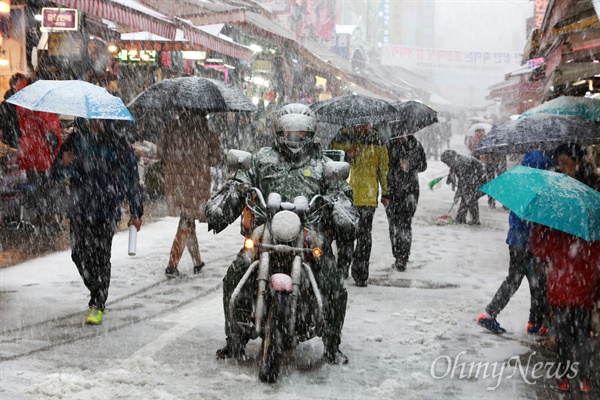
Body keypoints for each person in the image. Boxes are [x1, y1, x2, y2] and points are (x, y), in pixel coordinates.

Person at [210, 103, 354, 364]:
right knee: (236, 273)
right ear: (278, 132)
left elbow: (340, 191)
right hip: (267, 229)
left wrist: (341, 206)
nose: (294, 139)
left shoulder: (323, 164)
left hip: (310, 234)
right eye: (289, 133)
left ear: (310, 134)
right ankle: (235, 338)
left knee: (333, 282)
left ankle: (332, 344)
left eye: (300, 133)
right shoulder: (263, 159)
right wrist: (230, 194)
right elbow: (242, 179)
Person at [50, 118, 144, 325]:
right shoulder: (75, 140)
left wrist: (136, 211)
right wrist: (63, 164)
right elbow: (54, 174)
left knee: (101, 257)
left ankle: (97, 303)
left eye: (98, 118)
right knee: (78, 255)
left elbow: (131, 177)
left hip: (106, 209)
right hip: (79, 209)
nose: (95, 122)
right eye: (91, 118)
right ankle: (97, 290)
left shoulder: (117, 142)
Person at [477, 151, 551, 335]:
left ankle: (490, 315)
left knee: (520, 281)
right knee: (534, 283)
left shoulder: (521, 183)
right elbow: (536, 222)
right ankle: (532, 323)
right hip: (528, 244)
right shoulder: (539, 189)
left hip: (516, 241)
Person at [160, 110, 222, 277]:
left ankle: (197, 262)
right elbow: (217, 158)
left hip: (176, 182)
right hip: (197, 183)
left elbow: (161, 152)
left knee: (188, 221)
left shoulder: (172, 127)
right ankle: (172, 266)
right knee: (187, 221)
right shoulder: (206, 132)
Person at [332, 123, 389, 286]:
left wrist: (386, 192)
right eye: (359, 125)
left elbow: (383, 170)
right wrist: (347, 155)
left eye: (365, 125)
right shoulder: (341, 138)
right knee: (344, 236)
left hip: (367, 198)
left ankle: (360, 274)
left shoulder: (378, 143)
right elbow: (332, 161)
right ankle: (342, 268)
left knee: (364, 238)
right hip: (346, 196)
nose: (362, 128)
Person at [13, 76, 64, 230]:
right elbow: (51, 133)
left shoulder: (22, 105)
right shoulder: (43, 106)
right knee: (49, 188)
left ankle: (35, 218)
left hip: (28, 152)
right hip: (43, 155)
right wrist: (59, 149)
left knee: (34, 187)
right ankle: (48, 219)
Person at [385, 134, 427, 271]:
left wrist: (410, 165)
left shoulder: (415, 145)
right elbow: (383, 164)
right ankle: (397, 254)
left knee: (405, 225)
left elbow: (423, 166)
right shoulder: (389, 145)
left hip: (410, 191)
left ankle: (403, 258)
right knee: (393, 226)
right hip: (392, 190)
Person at [440, 149, 486, 225]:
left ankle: (474, 220)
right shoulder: (457, 160)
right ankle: (460, 218)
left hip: (480, 180)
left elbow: (465, 181)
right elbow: (463, 181)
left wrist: (459, 193)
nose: (447, 165)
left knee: (470, 198)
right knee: (466, 197)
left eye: (446, 162)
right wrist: (459, 193)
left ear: (449, 159)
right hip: (475, 179)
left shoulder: (461, 163)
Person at [0, 73, 28, 149]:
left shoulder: (26, 102)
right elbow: (3, 124)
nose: (24, 85)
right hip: (11, 142)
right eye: (21, 82)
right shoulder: (5, 104)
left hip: (24, 141)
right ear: (13, 85)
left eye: (25, 82)